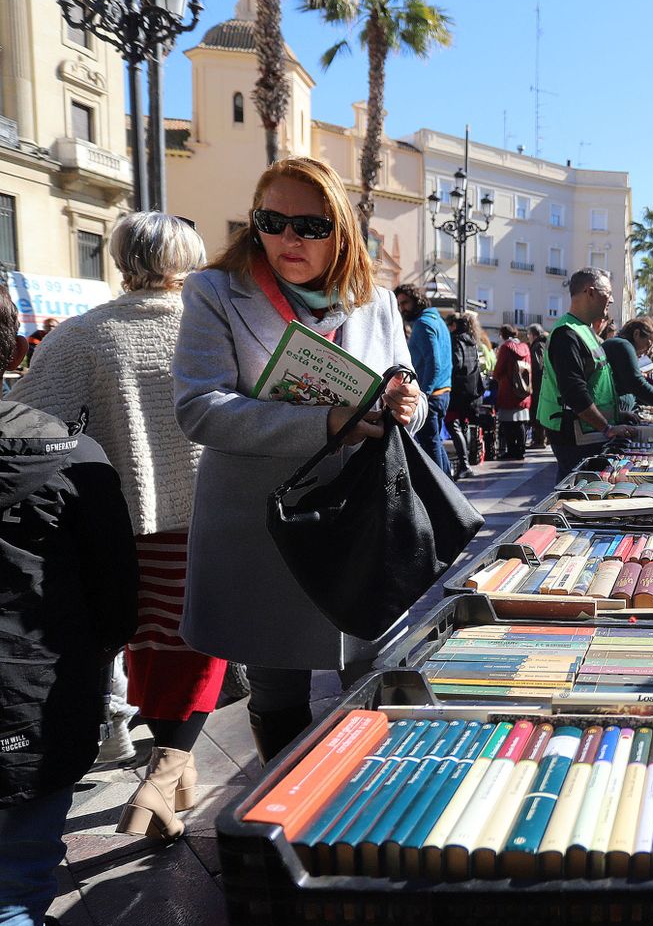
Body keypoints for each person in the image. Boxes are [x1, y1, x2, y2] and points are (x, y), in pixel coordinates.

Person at [173, 156, 423, 763]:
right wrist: (324, 422)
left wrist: (407, 403)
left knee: (372, 662)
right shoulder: (214, 292)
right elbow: (199, 407)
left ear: (340, 230)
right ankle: (280, 812)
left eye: (310, 225)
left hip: (360, 513)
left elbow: (404, 393)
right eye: (272, 220)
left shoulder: (376, 301)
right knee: (276, 674)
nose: (289, 238)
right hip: (265, 518)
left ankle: (363, 803)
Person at [9, 212, 226, 841]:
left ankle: (169, 777)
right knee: (201, 639)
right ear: (189, 258)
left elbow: (29, 417)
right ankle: (163, 774)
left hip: (120, 519)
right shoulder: (209, 327)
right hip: (210, 514)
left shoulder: (82, 335)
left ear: (121, 258)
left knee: (146, 642)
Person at [0, 288, 139, 926]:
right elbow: (117, 601)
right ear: (17, 347)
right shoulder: (71, 456)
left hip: (29, 701)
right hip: (30, 704)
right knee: (18, 874)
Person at [537, 267, 630, 475]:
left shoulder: (582, 330)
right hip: (575, 434)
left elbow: (593, 382)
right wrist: (607, 428)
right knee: (575, 492)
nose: (612, 300)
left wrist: (617, 414)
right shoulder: (567, 334)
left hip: (586, 430)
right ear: (590, 292)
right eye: (608, 293)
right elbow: (574, 391)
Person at [393, 282, 451, 474]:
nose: (402, 309)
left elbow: (434, 363)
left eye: (405, 303)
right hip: (442, 392)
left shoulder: (423, 324)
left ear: (417, 301)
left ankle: (440, 494)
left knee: (431, 446)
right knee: (436, 443)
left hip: (432, 395)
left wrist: (422, 396)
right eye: (399, 304)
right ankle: (449, 487)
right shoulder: (438, 320)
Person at [443, 313, 487, 480]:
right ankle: (465, 462)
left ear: (454, 325)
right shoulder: (472, 341)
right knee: (462, 426)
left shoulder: (455, 340)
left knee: (452, 425)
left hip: (457, 391)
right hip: (470, 392)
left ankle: (465, 464)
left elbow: (457, 364)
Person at [493, 325, 534, 460]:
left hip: (508, 389)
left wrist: (496, 377)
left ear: (503, 335)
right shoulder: (525, 347)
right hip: (523, 390)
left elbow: (499, 370)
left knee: (508, 424)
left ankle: (511, 450)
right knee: (520, 423)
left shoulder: (506, 348)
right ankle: (521, 450)